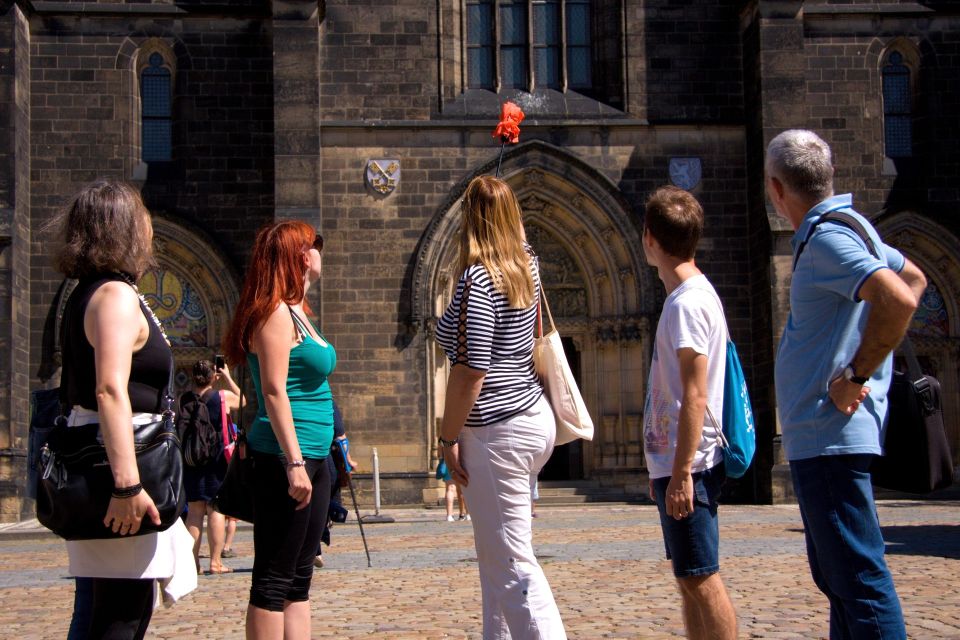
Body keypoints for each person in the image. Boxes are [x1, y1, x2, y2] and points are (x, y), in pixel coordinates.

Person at [767, 129, 926, 639]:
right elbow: (916, 279)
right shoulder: (851, 227)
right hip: (824, 438)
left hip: (828, 437)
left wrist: (858, 373)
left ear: (776, 188)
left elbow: (900, 299)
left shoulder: (830, 237)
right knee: (841, 580)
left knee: (858, 579)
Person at [52, 179, 196, 639]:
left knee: (100, 610)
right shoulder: (113, 295)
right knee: (119, 617)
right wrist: (127, 484)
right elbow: (111, 391)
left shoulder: (97, 292)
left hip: (115, 461)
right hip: (120, 467)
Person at [435, 175, 566, 639]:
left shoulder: (479, 277)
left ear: (470, 219)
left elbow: (472, 369)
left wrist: (447, 438)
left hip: (497, 429)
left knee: (510, 562)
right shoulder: (526, 263)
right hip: (531, 417)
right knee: (498, 558)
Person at [223, 220, 336, 639]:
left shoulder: (298, 313)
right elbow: (273, 392)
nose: (321, 252)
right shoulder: (273, 314)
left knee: (299, 577)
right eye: (316, 245)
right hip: (286, 458)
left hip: (316, 454)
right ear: (302, 256)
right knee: (272, 578)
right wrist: (294, 463)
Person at [641, 185, 737, 640]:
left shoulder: (688, 303)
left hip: (692, 467)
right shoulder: (685, 298)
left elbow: (695, 396)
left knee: (701, 576)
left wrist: (680, 473)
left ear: (650, 239)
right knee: (689, 577)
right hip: (678, 465)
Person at [181, 359, 243, 575]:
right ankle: (215, 562)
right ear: (213, 376)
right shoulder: (221, 397)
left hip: (192, 460)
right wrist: (226, 376)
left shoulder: (185, 398)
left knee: (194, 512)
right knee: (215, 510)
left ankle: (192, 563)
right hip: (216, 460)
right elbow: (243, 400)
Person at [315, 401, 358, 569]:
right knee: (322, 507)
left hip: (297, 459)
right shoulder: (327, 401)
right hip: (324, 463)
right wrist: (348, 462)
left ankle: (313, 549)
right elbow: (341, 438)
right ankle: (314, 548)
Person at [439, 451, 469, 522]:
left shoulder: (442, 439)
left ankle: (449, 515)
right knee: (463, 488)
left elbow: (439, 453)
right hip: (461, 462)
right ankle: (467, 514)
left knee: (450, 488)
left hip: (448, 462)